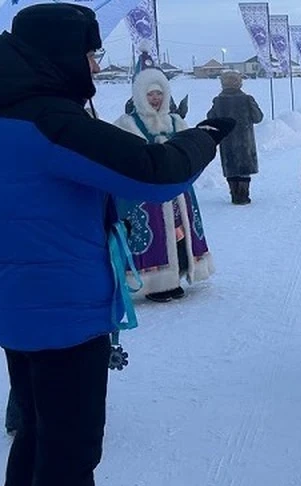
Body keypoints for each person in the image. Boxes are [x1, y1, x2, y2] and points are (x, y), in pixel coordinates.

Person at [0, 4, 233, 486]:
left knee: (38, 436)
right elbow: (155, 173)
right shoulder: (48, 120)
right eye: (91, 54)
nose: (97, 65)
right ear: (62, 55)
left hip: (14, 300)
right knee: (70, 451)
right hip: (61, 310)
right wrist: (209, 133)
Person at [114, 51, 214, 303]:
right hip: (146, 194)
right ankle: (156, 283)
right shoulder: (127, 124)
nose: (156, 98)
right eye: (150, 94)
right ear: (140, 96)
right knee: (154, 233)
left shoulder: (175, 121)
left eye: (159, 93)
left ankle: (178, 273)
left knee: (180, 230)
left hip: (179, 192)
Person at [206, 70, 264, 205]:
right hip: (245, 140)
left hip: (227, 140)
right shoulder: (247, 99)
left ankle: (234, 195)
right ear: (239, 83)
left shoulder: (218, 101)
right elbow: (258, 117)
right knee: (244, 168)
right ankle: (244, 195)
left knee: (231, 166)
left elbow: (210, 118)